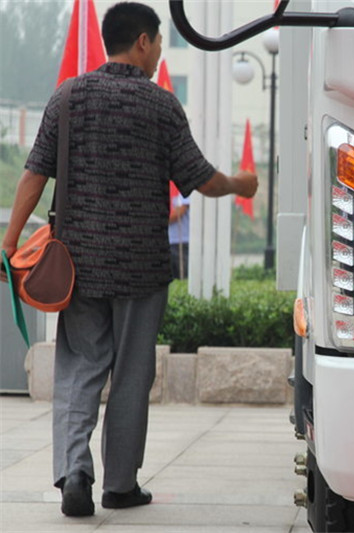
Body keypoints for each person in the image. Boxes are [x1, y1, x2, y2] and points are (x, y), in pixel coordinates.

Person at [0, 2, 257, 518]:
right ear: (142, 41)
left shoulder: (67, 97)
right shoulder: (161, 106)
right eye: (159, 42)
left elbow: (34, 174)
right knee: (133, 376)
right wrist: (239, 185)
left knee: (79, 368)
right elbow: (201, 178)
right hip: (142, 267)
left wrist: (8, 245)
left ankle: (75, 472)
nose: (160, 52)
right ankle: (120, 485)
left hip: (79, 264)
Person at [169, 189, 190, 279]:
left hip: (183, 241)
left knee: (183, 277)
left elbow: (179, 212)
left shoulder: (184, 188)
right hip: (169, 240)